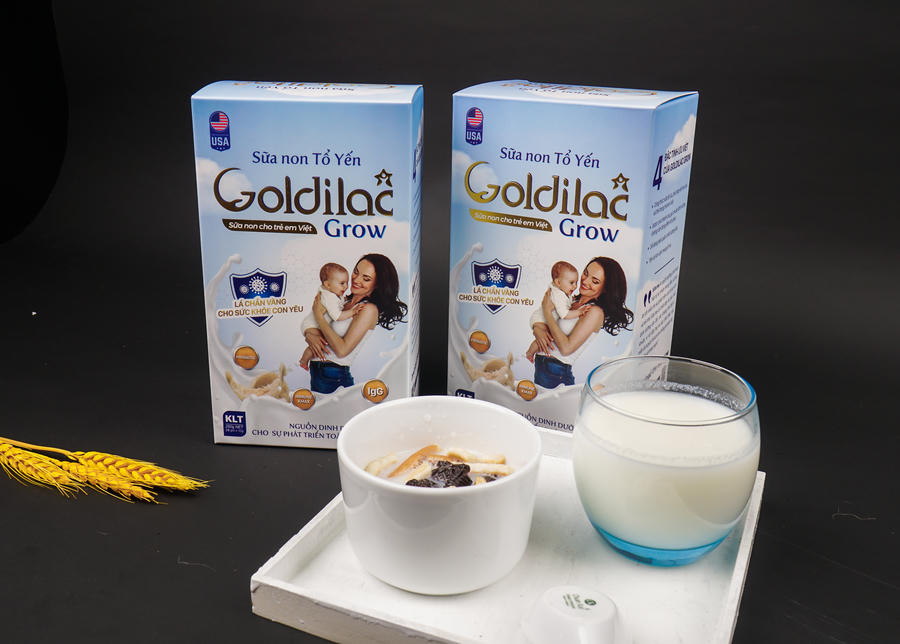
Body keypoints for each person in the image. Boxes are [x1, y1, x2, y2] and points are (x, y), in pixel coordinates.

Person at [303, 253, 407, 394]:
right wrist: (310, 335)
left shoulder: (368, 309)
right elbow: (313, 324)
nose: (356, 280)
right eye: (356, 272)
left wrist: (319, 318)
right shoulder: (342, 301)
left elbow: (342, 351)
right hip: (318, 372)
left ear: (377, 284)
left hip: (334, 376)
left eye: (366, 278)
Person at [529, 256, 633, 389]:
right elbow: (543, 319)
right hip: (542, 366)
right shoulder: (570, 300)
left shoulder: (594, 312)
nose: (585, 281)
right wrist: (538, 329)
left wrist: (547, 312)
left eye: (595, 281)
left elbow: (566, 349)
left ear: (605, 288)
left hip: (557, 372)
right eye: (585, 273)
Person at [298, 262, 360, 370]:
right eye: (342, 283)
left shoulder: (331, 293)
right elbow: (337, 316)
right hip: (313, 325)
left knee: (320, 342)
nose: (346, 286)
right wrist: (352, 312)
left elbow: (339, 302)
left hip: (312, 323)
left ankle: (304, 360)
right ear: (327, 285)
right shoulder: (329, 297)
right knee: (319, 343)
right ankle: (304, 360)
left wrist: (345, 299)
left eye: (347, 283)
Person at [524, 260, 587, 362]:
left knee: (545, 337)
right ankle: (530, 353)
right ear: (558, 282)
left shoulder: (560, 290)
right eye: (571, 283)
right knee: (545, 338)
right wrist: (579, 312)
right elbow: (564, 314)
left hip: (542, 317)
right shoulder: (558, 295)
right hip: (541, 319)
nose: (575, 286)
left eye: (576, 282)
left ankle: (530, 352)